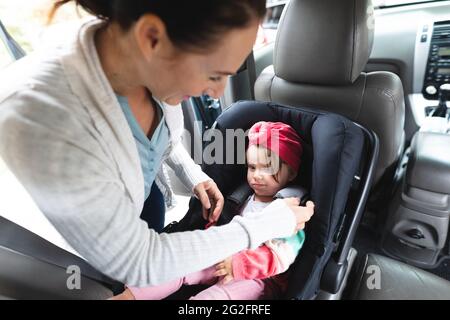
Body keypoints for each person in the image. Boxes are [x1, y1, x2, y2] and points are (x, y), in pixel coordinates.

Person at [0, 0, 314, 288]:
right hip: (71, 268)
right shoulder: (39, 118)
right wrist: (269, 224)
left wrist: (193, 175)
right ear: (152, 37)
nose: (218, 94)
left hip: (143, 211)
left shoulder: (147, 67)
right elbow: (139, 261)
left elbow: (161, 136)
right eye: (214, 75)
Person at [112, 121, 309, 300]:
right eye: (252, 167)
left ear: (291, 171)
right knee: (178, 264)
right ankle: (129, 296)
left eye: (267, 168)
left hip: (259, 279)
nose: (256, 176)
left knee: (218, 296)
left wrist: (239, 265)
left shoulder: (292, 209)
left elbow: (281, 257)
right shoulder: (242, 196)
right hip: (224, 255)